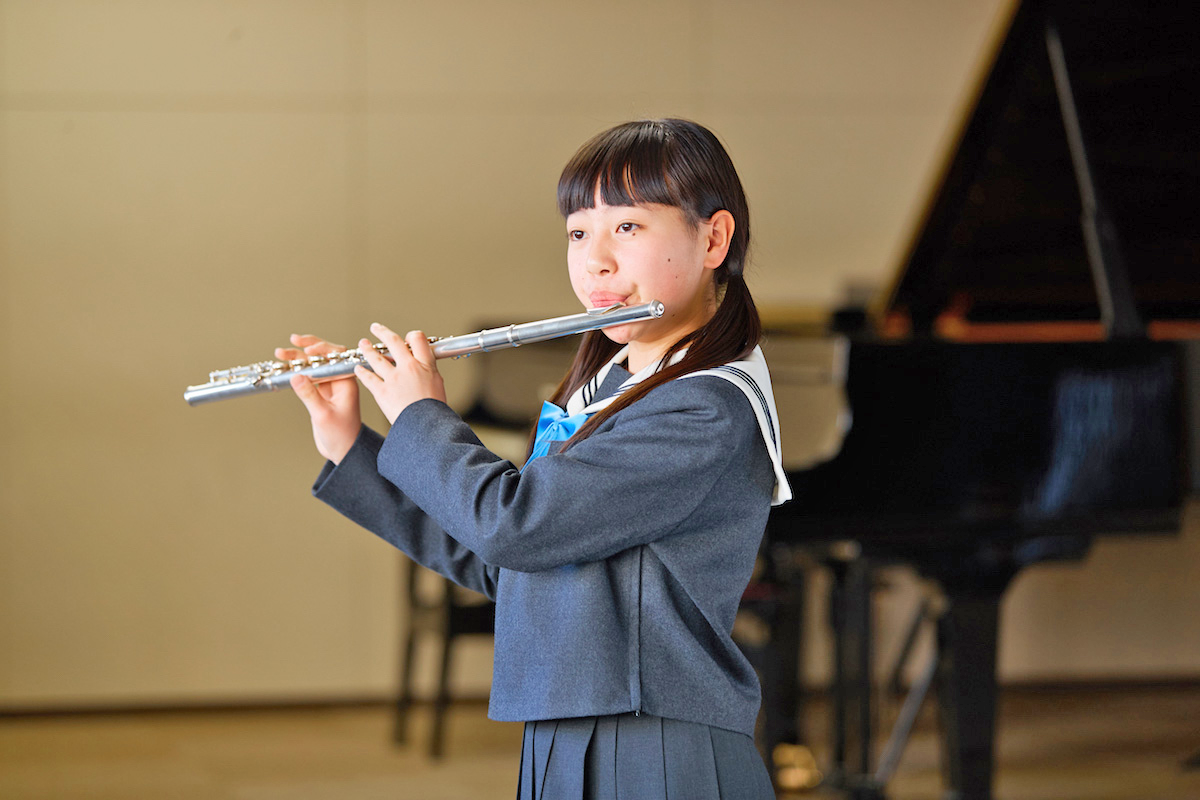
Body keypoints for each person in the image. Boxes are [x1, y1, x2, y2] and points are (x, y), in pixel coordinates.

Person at [277, 118, 792, 800]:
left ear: (714, 239)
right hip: (564, 729)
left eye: (628, 228)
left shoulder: (704, 408)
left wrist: (422, 416)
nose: (595, 260)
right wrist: (350, 442)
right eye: (579, 232)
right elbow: (503, 561)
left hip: (658, 744)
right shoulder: (602, 389)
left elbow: (517, 525)